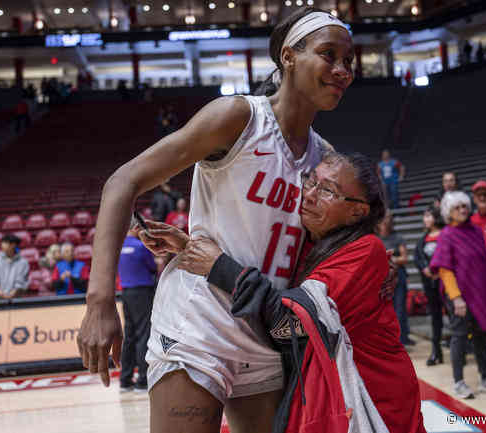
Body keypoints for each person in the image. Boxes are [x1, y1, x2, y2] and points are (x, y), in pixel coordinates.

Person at [77, 7, 357, 433]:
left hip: (265, 330)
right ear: (288, 56)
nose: (342, 70)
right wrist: (99, 302)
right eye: (329, 54)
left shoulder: (326, 158)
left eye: (349, 61)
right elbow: (123, 182)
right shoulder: (239, 117)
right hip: (198, 321)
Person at [172, 153, 426, 433]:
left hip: (373, 398)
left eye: (328, 190)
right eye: (311, 181)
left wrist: (220, 267)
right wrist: (189, 246)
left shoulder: (366, 251)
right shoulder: (306, 243)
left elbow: (289, 326)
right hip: (329, 390)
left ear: (358, 212)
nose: (310, 195)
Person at [430, 191, 486, 399]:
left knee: (482, 334)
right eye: (457, 207)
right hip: (459, 297)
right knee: (459, 337)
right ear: (448, 212)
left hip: (480, 294)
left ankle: (485, 378)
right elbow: (444, 270)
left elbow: (484, 266)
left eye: (464, 206)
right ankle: (459, 382)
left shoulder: (475, 231)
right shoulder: (447, 234)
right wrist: (456, 298)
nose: (463, 210)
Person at [118, 219, 157, 393]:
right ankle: (142, 380)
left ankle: (125, 380)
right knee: (143, 334)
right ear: (136, 228)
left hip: (125, 293)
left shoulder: (118, 248)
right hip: (142, 292)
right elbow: (153, 268)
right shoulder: (141, 247)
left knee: (129, 335)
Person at [414, 205, 445, 365]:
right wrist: (424, 268)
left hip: (446, 282)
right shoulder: (422, 239)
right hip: (430, 283)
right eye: (424, 216)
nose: (425, 219)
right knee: (435, 317)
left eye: (428, 216)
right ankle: (436, 350)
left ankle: (462, 348)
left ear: (436, 217)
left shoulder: (446, 234)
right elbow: (417, 257)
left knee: (456, 316)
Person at [377, 211, 412, 346]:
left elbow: (404, 258)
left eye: (388, 219)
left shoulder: (397, 237)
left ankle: (400, 340)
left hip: (398, 275)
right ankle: (387, 341)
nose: (386, 222)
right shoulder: (374, 238)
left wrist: (390, 258)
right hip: (381, 278)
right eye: (383, 219)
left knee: (399, 308)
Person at [0, 234, 30, 299]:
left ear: (13, 245)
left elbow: (21, 282)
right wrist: (1, 294)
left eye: (5, 243)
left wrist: (11, 295)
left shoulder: (23, 263)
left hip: (17, 300)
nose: (2, 245)